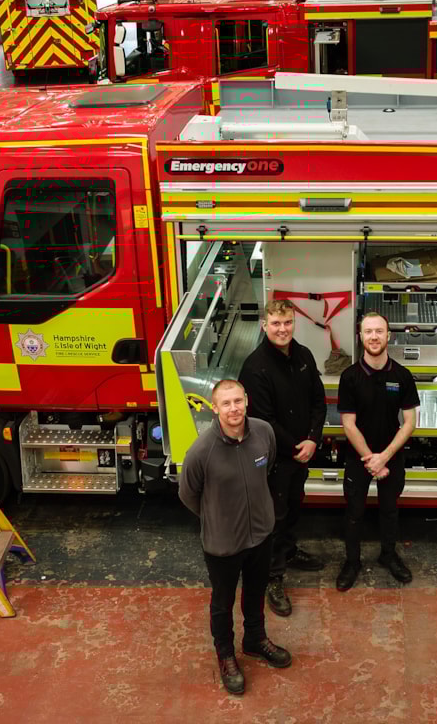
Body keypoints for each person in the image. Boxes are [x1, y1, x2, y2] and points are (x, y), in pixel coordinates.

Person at [178, 379, 292, 696]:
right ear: (214, 408)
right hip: (223, 543)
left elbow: (264, 470)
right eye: (225, 403)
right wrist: (215, 517)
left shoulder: (263, 432)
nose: (233, 409)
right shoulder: (202, 451)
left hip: (260, 535)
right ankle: (226, 655)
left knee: (255, 593)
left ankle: (255, 640)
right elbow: (188, 494)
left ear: (247, 400)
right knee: (222, 603)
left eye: (238, 401)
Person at [238, 298, 327, 618]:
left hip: (302, 452)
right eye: (275, 323)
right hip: (275, 456)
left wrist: (314, 438)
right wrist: (298, 447)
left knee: (293, 505)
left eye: (287, 322)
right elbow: (264, 420)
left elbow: (319, 399)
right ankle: (273, 578)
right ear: (264, 326)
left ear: (294, 323)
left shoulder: (303, 355)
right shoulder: (255, 366)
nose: (282, 329)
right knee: (273, 517)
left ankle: (288, 552)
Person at [335, 311, 419, 591]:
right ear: (360, 336)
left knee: (390, 510)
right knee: (354, 512)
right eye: (368, 331)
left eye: (379, 331)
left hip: (391, 457)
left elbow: (409, 423)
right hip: (359, 458)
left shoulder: (402, 376)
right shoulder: (349, 377)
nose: (374, 336)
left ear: (388, 335)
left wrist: (385, 457)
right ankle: (352, 562)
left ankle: (388, 555)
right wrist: (370, 458)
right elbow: (348, 424)